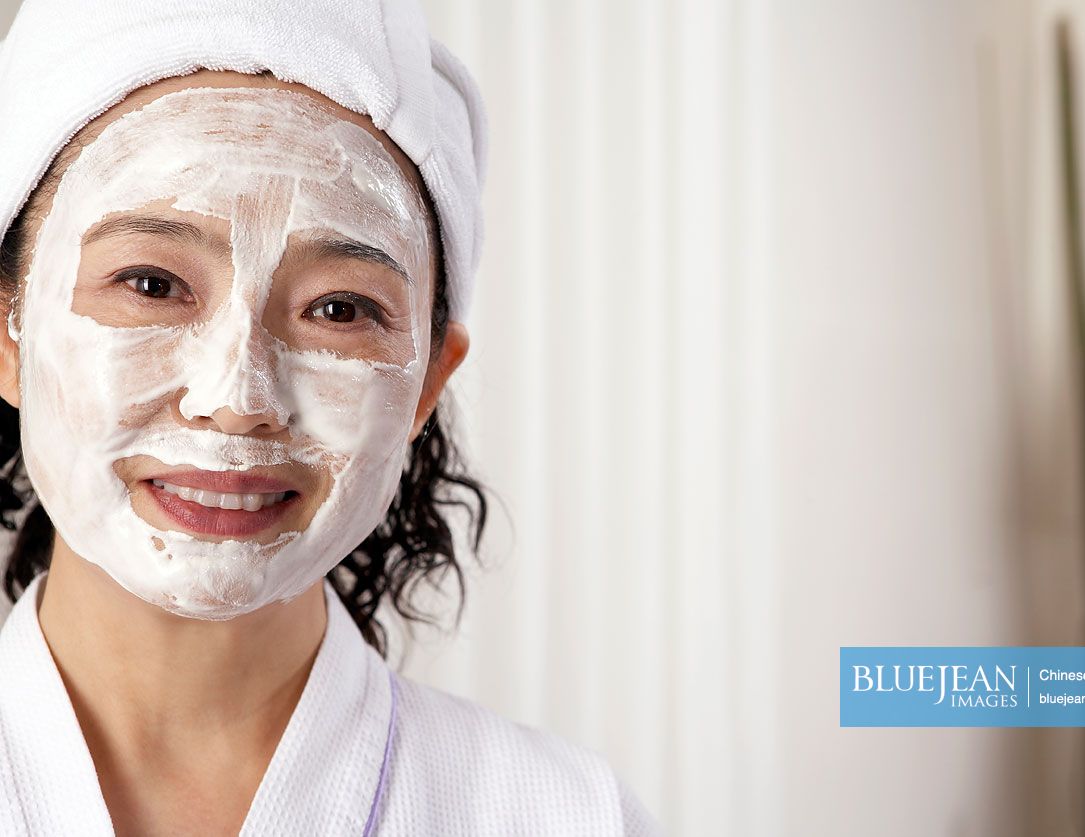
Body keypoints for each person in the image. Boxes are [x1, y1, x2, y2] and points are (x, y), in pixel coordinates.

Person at [0, 0, 661, 834]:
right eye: (152, 284)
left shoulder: (569, 817)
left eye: (339, 308)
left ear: (425, 383)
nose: (238, 399)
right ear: (9, 335)